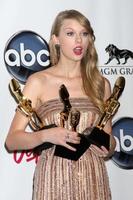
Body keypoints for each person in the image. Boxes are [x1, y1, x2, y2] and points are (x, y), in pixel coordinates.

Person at [5, 9, 116, 200]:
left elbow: (110, 141)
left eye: (84, 33)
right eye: (70, 33)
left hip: (93, 179)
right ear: (56, 40)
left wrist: (108, 147)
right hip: (53, 181)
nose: (79, 40)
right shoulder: (38, 81)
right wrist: (46, 135)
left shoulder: (101, 84)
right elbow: (12, 140)